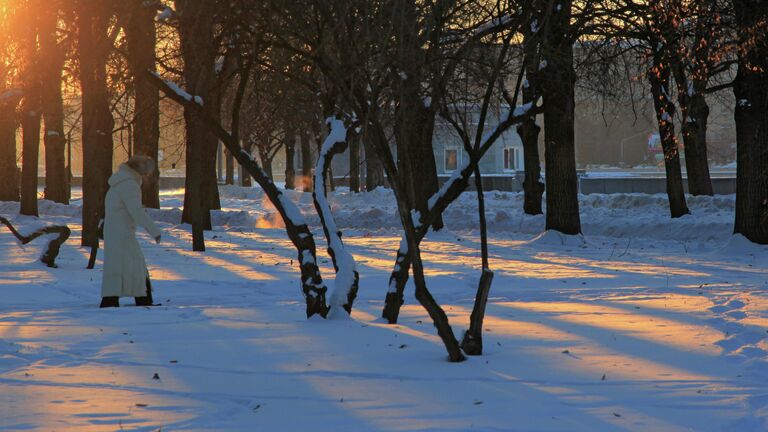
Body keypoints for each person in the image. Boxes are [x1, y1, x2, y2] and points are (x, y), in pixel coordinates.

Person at [100, 155, 162, 308]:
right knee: (136, 264)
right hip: (123, 232)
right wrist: (154, 230)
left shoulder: (119, 182)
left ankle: (112, 299)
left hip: (114, 231)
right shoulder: (129, 185)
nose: (147, 175)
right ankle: (141, 299)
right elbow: (136, 211)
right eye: (147, 172)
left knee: (118, 265)